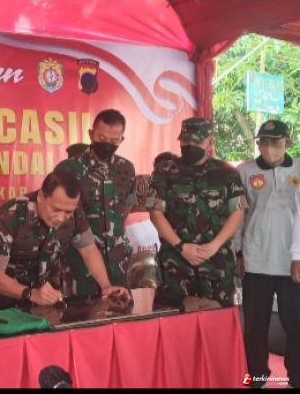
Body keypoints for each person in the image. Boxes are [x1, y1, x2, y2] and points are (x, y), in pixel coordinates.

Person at [0, 169, 129, 311]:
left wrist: (106, 286)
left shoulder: (75, 213)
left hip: (43, 302)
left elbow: (88, 250)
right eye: (55, 209)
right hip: (1, 303)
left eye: (68, 212)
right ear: (41, 197)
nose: (61, 218)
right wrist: (31, 293)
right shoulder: (11, 215)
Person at [145, 117, 246, 311]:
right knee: (176, 321)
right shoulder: (165, 171)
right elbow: (156, 213)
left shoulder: (227, 173)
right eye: (186, 140)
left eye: (197, 141)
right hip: (176, 263)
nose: (190, 145)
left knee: (217, 322)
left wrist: (214, 246)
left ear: (210, 141)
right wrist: (181, 246)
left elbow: (238, 211)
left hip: (216, 262)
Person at [237, 119, 299, 388]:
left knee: (296, 326)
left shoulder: (299, 168)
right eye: (263, 142)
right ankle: (257, 377)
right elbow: (238, 216)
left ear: (287, 142)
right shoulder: (244, 171)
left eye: (275, 142)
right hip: (256, 261)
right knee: (255, 327)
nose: (269, 148)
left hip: (291, 263)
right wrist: (238, 253)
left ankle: (296, 377)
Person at [54, 109, 136, 298]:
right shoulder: (69, 169)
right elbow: (62, 216)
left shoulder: (126, 168)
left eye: (114, 140)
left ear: (122, 140)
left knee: (120, 311)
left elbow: (127, 205)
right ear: (91, 134)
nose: (107, 144)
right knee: (80, 313)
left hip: (117, 263)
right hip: (79, 264)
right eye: (102, 137)